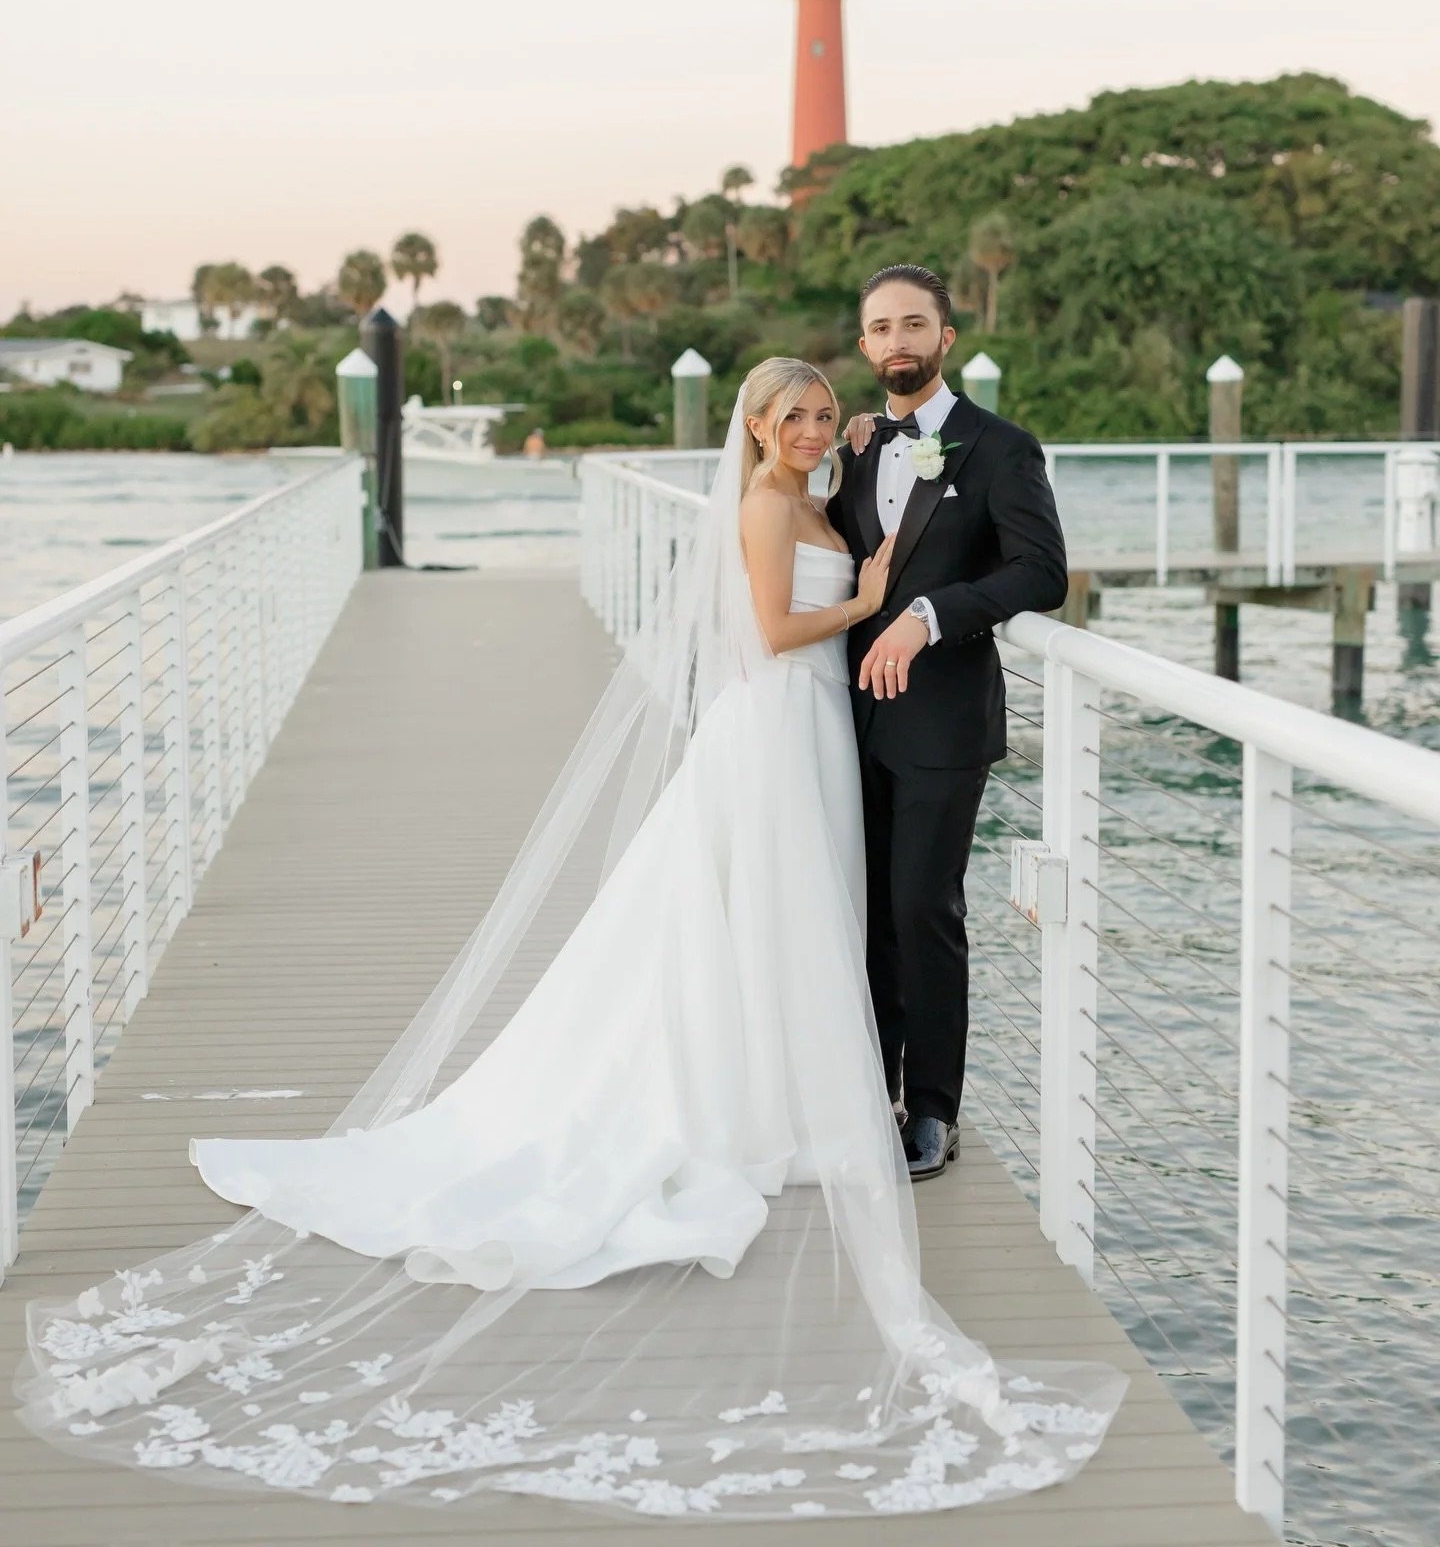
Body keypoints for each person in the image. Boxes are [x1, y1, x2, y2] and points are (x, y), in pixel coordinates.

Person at [19, 356, 1119, 1520]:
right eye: (787, 417)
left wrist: (864, 486)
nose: (805, 430)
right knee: (755, 903)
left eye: (813, 415)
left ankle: (786, 1082)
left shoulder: (823, 485)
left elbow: (883, 501)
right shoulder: (759, 503)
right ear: (752, 426)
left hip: (820, 732)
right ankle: (740, 1091)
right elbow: (772, 625)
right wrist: (875, 595)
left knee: (800, 907)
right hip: (777, 721)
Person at [830, 266, 1069, 1180]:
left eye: (914, 324)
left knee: (924, 909)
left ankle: (932, 1110)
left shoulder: (1001, 446)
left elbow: (1042, 573)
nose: (898, 339)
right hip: (847, 718)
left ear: (946, 338)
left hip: (942, 724)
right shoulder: (854, 448)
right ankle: (869, 1089)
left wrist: (931, 616)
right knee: (864, 913)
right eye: (881, 326)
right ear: (864, 347)